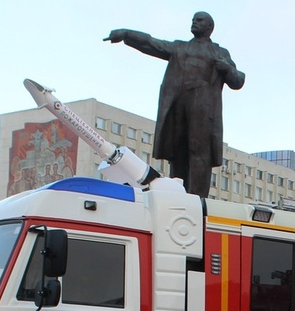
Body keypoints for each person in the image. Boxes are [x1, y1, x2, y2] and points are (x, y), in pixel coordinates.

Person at [104, 11, 245, 198]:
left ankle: (197, 199)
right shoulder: (180, 48)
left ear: (210, 27)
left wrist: (227, 69)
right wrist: (126, 34)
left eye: (199, 20)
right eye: (193, 20)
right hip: (178, 107)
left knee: (199, 154)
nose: (194, 22)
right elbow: (151, 43)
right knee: (178, 154)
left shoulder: (219, 52)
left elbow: (238, 81)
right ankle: (177, 195)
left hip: (203, 110)